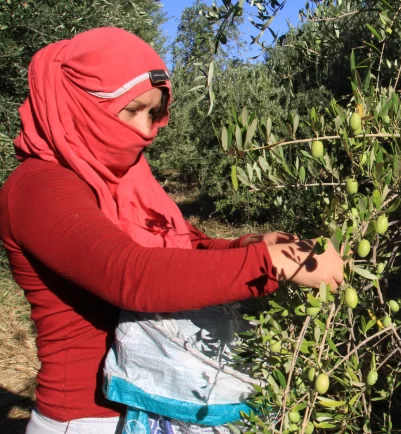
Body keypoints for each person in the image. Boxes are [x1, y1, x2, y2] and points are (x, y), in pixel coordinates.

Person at [0, 27, 344, 433]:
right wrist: (270, 264)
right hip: (88, 419)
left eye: (154, 113)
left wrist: (243, 245)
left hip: (150, 408)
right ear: (82, 103)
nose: (147, 131)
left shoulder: (122, 177)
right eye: (133, 111)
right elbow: (130, 273)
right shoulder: (39, 186)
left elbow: (178, 247)